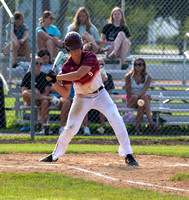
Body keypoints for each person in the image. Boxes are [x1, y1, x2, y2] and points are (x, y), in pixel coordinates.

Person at [40, 31, 139, 166]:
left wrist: (57, 76)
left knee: (116, 117)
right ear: (68, 49)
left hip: (100, 95)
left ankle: (128, 154)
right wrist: (54, 82)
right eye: (73, 49)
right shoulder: (67, 67)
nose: (77, 51)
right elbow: (65, 93)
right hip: (81, 98)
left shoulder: (90, 57)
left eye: (79, 47)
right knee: (71, 127)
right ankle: (55, 155)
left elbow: (79, 74)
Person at [21, 55, 59, 134]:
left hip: (42, 100)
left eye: (40, 63)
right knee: (26, 93)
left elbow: (46, 92)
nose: (38, 65)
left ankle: (43, 128)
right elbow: (24, 91)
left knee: (44, 102)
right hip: (30, 100)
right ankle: (50, 99)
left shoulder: (45, 76)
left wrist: (39, 95)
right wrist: (33, 90)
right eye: (36, 63)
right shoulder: (28, 75)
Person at [125, 57, 161, 135]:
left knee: (141, 106)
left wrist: (141, 97)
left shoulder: (148, 77)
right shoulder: (128, 76)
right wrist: (139, 96)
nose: (137, 66)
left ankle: (137, 130)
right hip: (131, 100)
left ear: (144, 66)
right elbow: (128, 92)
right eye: (136, 64)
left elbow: (143, 91)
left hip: (141, 100)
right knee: (142, 97)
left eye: (140, 64)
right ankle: (151, 122)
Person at [96, 58, 115, 135]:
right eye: (98, 64)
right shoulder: (91, 75)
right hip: (92, 97)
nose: (100, 66)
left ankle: (102, 126)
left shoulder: (108, 75)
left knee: (103, 102)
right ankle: (85, 128)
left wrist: (103, 79)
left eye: (102, 65)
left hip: (104, 97)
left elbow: (109, 91)